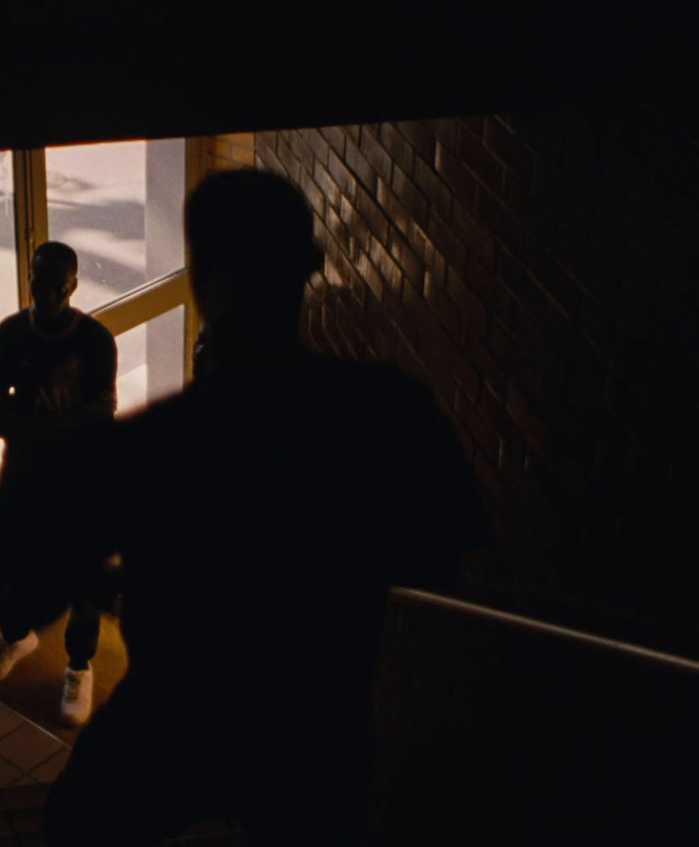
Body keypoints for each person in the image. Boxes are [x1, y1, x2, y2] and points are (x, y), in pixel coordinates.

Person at [41, 170, 487, 844]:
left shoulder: (152, 445)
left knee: (77, 823)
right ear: (306, 269)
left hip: (174, 715)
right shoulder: (388, 412)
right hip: (317, 722)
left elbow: (50, 560)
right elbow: (450, 545)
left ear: (203, 281)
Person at [0, 241, 119, 727]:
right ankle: (17, 634)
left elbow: (99, 421)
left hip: (80, 480)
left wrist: (26, 420)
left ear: (73, 285)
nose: (50, 292)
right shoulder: (12, 333)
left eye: (60, 283)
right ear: (30, 280)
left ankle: (79, 665)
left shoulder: (95, 340)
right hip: (25, 474)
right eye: (41, 281)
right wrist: (57, 424)